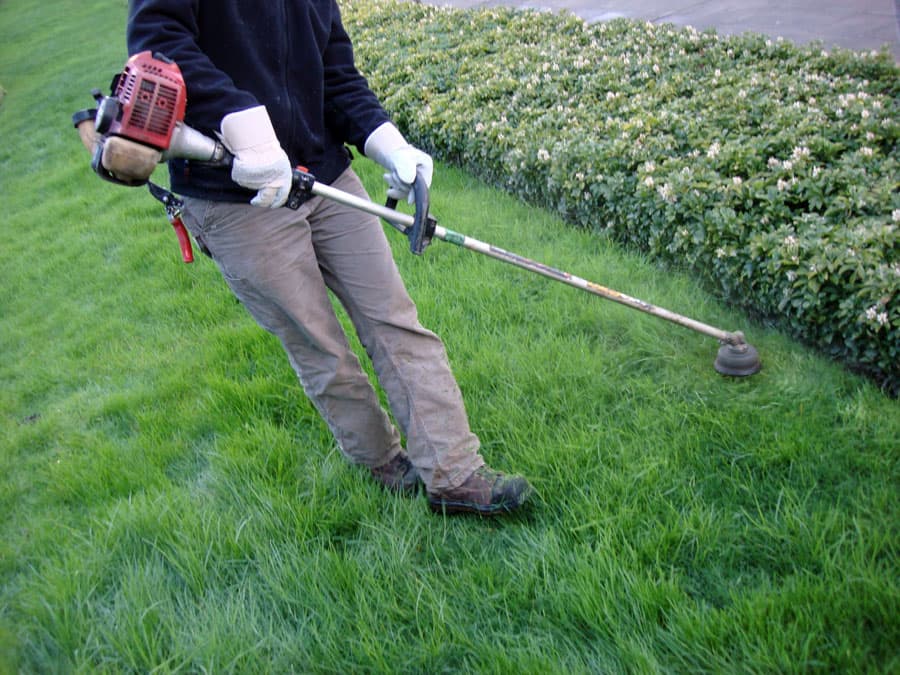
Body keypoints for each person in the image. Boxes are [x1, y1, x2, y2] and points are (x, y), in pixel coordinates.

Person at [126, 0, 533, 515]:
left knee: (395, 320)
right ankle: (380, 460)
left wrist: (390, 146)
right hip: (234, 193)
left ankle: (454, 476)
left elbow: (337, 76)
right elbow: (157, 39)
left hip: (325, 174)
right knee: (319, 345)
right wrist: (241, 124)